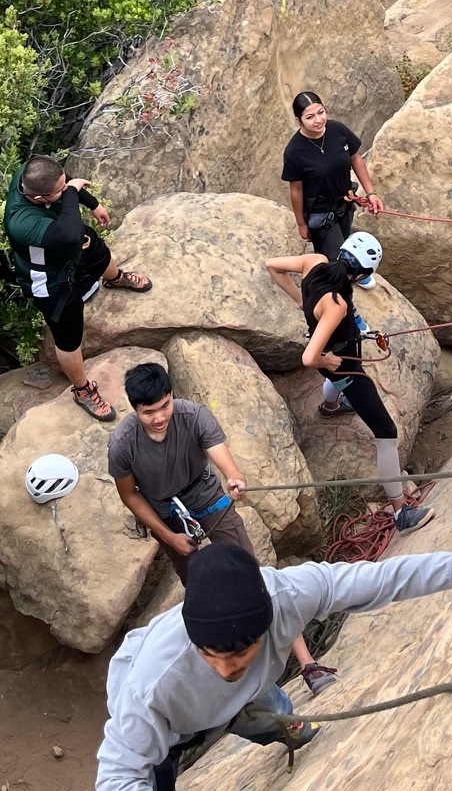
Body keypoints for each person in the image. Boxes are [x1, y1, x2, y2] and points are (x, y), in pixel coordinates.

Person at [98, 542, 452, 791]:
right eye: (210, 656)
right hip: (165, 733)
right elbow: (117, 777)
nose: (224, 668)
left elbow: (378, 579)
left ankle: (286, 725)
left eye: (237, 654)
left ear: (266, 625)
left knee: (267, 708)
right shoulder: (150, 684)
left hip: (247, 699)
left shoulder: (289, 596)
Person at [108, 362, 336, 698]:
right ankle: (245, 680)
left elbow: (220, 455)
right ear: (135, 409)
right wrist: (169, 537)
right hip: (166, 513)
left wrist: (234, 477)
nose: (158, 417)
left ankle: (307, 663)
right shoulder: (123, 444)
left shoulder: (192, 416)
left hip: (206, 496)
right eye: (148, 412)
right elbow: (129, 495)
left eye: (164, 406)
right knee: (204, 592)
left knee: (253, 574)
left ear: (172, 396)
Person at [265, 234, 433, 534]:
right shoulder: (336, 304)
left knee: (336, 382)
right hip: (342, 365)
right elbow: (308, 358)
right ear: (362, 275)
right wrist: (328, 361)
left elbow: (271, 265)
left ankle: (330, 406)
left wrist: (300, 299)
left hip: (335, 356)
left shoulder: (314, 262)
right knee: (386, 432)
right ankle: (401, 515)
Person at [3, 155, 152, 422]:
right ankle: (83, 390)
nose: (66, 190)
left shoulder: (33, 174)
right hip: (50, 279)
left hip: (74, 245)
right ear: (38, 198)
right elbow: (66, 233)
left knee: (97, 251)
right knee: (69, 336)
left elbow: (64, 182)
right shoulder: (20, 220)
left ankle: (116, 277)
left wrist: (92, 204)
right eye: (59, 192)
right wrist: (71, 192)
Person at [281, 90, 382, 260]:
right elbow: (296, 190)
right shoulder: (294, 151)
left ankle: (351, 278)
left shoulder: (337, 130)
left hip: (345, 203)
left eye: (321, 112)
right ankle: (341, 282)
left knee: (347, 245)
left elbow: (356, 159)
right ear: (299, 121)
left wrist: (371, 193)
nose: (318, 120)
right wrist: (301, 223)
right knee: (337, 257)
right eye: (310, 117)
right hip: (320, 212)